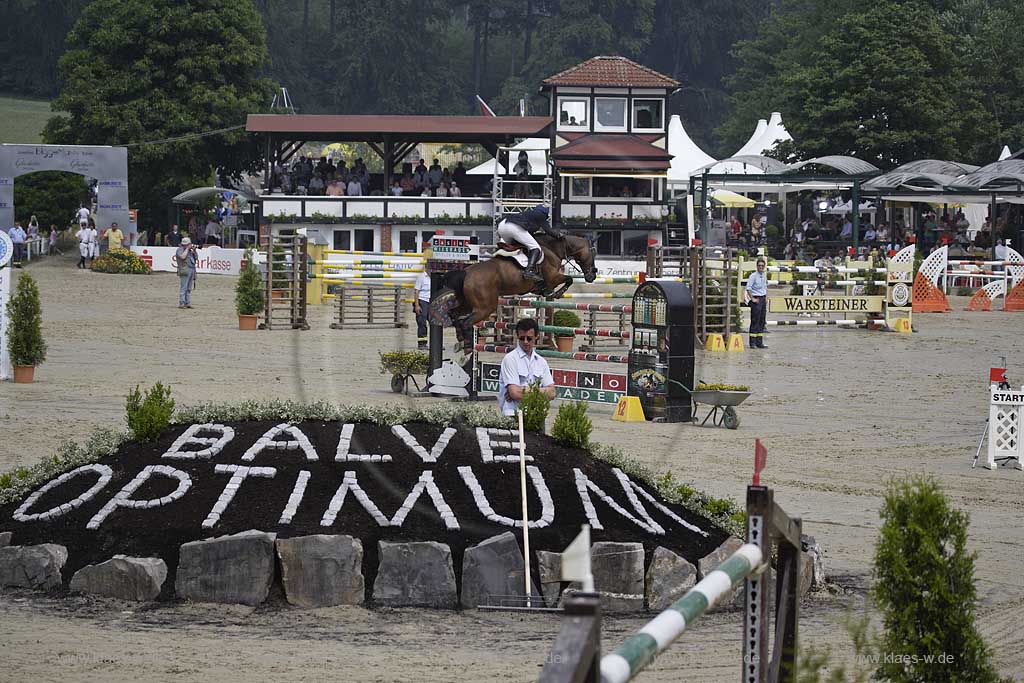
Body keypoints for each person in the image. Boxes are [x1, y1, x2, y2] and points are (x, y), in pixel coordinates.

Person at [497, 318, 556, 416]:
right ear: (517, 337)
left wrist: (523, 390)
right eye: (521, 338)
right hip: (514, 414)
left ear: (536, 337)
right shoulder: (510, 359)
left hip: (536, 415)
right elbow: (515, 393)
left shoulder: (541, 362)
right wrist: (542, 392)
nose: (525, 342)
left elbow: (552, 393)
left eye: (529, 338)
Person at [496, 205, 562, 282]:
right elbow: (549, 231)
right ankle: (529, 271)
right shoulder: (540, 215)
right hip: (513, 227)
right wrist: (559, 235)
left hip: (502, 226)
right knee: (535, 248)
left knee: (512, 247)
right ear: (545, 214)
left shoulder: (527, 214)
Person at [745, 257, 768, 349]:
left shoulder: (764, 275)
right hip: (756, 298)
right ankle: (752, 342)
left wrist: (766, 297)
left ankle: (760, 342)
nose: (761, 267)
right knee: (755, 320)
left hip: (763, 298)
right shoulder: (753, 276)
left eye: (762, 266)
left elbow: (765, 287)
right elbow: (748, 288)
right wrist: (753, 298)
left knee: (762, 321)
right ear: (757, 266)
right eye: (759, 265)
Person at [176, 237, 198, 308]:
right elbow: (182, 257)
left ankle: (187, 303)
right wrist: (187, 249)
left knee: (189, 288)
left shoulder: (190, 251)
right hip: (184, 270)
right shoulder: (180, 250)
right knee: (184, 287)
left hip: (191, 269)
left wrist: (194, 251)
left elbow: (196, 258)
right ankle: (181, 303)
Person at [413, 267, 431, 349]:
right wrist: (417, 305)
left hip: (431, 301)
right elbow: (416, 291)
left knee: (435, 323)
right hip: (422, 301)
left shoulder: (434, 277)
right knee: (422, 323)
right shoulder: (421, 276)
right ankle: (422, 343)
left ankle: (436, 343)